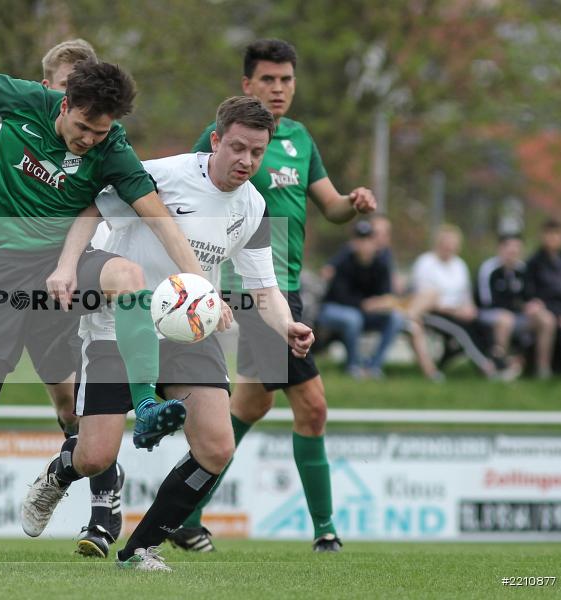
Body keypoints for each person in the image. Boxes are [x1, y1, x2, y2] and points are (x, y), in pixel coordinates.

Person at [0, 60, 204, 567]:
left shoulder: (113, 149)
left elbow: (157, 216)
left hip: (61, 273)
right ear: (64, 105)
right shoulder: (25, 101)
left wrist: (198, 283)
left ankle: (144, 408)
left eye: (100, 132)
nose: (89, 140)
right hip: (2, 278)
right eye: (83, 127)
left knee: (127, 278)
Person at [20, 96, 314, 571]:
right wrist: (68, 265)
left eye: (257, 152)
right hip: (119, 324)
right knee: (95, 457)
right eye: (238, 148)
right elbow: (92, 210)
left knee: (217, 447)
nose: (247, 160)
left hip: (189, 331)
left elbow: (264, 288)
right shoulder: (163, 174)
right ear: (215, 140)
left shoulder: (254, 206)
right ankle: (60, 473)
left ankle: (139, 549)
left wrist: (288, 325)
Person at [174, 39, 376, 554]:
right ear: (248, 84)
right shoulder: (228, 137)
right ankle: (326, 532)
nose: (278, 88)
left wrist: (352, 204)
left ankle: (183, 514)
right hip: (253, 291)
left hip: (286, 288)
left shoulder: (300, 139)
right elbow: (192, 196)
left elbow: (330, 207)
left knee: (251, 405)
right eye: (268, 79)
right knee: (313, 406)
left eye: (286, 79)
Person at [0, 40, 126, 557]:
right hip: (5, 284)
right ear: (50, 89)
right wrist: (16, 245)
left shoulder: (100, 146)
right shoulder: (7, 135)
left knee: (76, 407)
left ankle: (102, 515)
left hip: (64, 288)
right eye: (67, 87)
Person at [410, 225, 506, 378]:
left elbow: (466, 294)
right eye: (446, 243)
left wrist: (469, 309)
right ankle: (487, 367)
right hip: (435, 313)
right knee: (461, 330)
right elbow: (425, 299)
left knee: (482, 324)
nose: (450, 247)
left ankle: (498, 360)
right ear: (438, 243)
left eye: (453, 244)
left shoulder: (459, 265)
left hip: (459, 311)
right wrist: (455, 311)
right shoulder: (426, 263)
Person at [315, 220, 404, 379]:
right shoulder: (344, 261)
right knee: (353, 318)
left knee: (396, 318)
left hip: (366, 312)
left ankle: (374, 367)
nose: (364, 244)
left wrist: (379, 303)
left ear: (374, 242)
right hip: (335, 309)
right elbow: (340, 296)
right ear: (353, 242)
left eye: (368, 239)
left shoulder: (381, 264)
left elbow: (386, 294)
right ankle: (353, 366)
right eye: (360, 239)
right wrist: (364, 304)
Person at [476, 232, 556, 379]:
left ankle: (543, 368)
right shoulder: (489, 269)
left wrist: (534, 305)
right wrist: (519, 307)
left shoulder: (522, 269)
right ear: (500, 248)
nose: (514, 251)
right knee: (505, 319)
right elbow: (486, 301)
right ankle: (501, 368)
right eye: (510, 247)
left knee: (546, 319)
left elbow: (528, 296)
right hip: (489, 313)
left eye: (517, 248)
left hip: (516, 314)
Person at [525, 220, 561, 373]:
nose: (553, 238)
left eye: (557, 234)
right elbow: (532, 297)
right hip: (544, 311)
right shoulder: (534, 263)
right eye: (549, 234)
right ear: (542, 236)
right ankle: (543, 368)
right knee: (548, 321)